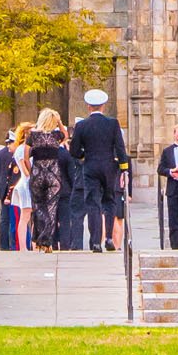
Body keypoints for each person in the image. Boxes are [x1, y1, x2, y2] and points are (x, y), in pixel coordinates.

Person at [71, 89, 129, 253]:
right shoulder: (113, 123)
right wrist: (123, 168)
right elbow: (120, 147)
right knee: (109, 201)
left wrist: (84, 154)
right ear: (103, 106)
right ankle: (109, 238)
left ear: (89, 106)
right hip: (109, 166)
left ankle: (96, 241)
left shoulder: (81, 125)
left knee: (92, 203)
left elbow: (74, 151)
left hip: (90, 166)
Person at [25, 110, 67, 250]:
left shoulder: (32, 135)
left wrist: (31, 170)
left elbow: (25, 157)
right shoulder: (56, 136)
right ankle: (47, 241)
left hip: (37, 174)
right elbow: (66, 135)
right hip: (53, 176)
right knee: (51, 208)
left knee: (38, 208)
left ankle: (39, 240)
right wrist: (60, 122)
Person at [156, 122, 178, 249]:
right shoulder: (167, 151)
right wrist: (171, 172)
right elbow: (160, 169)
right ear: (174, 133)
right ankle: (175, 245)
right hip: (172, 189)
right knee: (173, 220)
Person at [4, 123, 34, 250]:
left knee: (31, 216)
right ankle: (23, 246)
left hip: (29, 183)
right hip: (26, 184)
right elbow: (25, 170)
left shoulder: (28, 148)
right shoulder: (22, 149)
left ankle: (34, 244)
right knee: (25, 216)